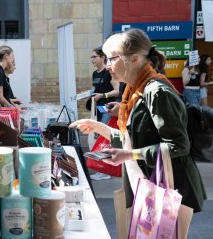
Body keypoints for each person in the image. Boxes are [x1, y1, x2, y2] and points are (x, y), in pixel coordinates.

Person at [71, 29, 206, 220]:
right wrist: (98, 127)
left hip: (169, 195)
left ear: (134, 59)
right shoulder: (135, 91)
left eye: (112, 58)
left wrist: (129, 154)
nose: (108, 65)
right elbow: (133, 139)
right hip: (149, 190)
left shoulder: (156, 91)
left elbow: (178, 146)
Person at [87, 47, 119, 124]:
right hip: (98, 108)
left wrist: (102, 95)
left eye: (94, 57)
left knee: (105, 130)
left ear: (102, 57)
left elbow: (117, 91)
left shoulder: (109, 72)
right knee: (99, 132)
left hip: (109, 107)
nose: (92, 59)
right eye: (91, 57)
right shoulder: (94, 74)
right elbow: (96, 89)